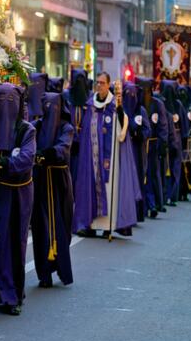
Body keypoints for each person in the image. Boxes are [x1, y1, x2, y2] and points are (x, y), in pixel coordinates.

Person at [0, 83, 36, 315]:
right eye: (0, 101)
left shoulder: (26, 129)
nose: (5, 107)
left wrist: (4, 163)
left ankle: (12, 295)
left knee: (13, 243)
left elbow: (26, 159)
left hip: (17, 194)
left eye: (10, 102)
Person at [72, 73, 141, 238]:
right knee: (90, 187)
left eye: (102, 83)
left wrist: (120, 124)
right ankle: (90, 224)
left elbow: (124, 125)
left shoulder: (114, 105)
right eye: (97, 83)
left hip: (110, 158)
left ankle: (109, 226)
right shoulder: (91, 105)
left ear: (108, 84)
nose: (99, 86)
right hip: (93, 158)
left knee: (110, 189)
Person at [30, 91, 75, 288]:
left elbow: (63, 148)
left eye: (53, 107)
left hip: (59, 182)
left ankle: (62, 268)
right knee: (40, 226)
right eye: (46, 107)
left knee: (61, 225)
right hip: (40, 180)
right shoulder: (37, 126)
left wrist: (49, 153)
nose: (50, 111)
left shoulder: (67, 127)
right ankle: (44, 273)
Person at [137, 77, 168, 217]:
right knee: (141, 175)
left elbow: (162, 125)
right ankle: (144, 206)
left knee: (151, 176)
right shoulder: (137, 105)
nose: (146, 94)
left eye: (148, 91)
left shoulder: (157, 104)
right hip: (140, 145)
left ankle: (152, 204)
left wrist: (162, 143)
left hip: (153, 145)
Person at [122, 81, 151, 224]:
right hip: (123, 150)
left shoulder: (141, 111)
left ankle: (138, 213)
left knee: (138, 181)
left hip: (137, 152)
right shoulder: (120, 110)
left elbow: (147, 129)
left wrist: (140, 135)